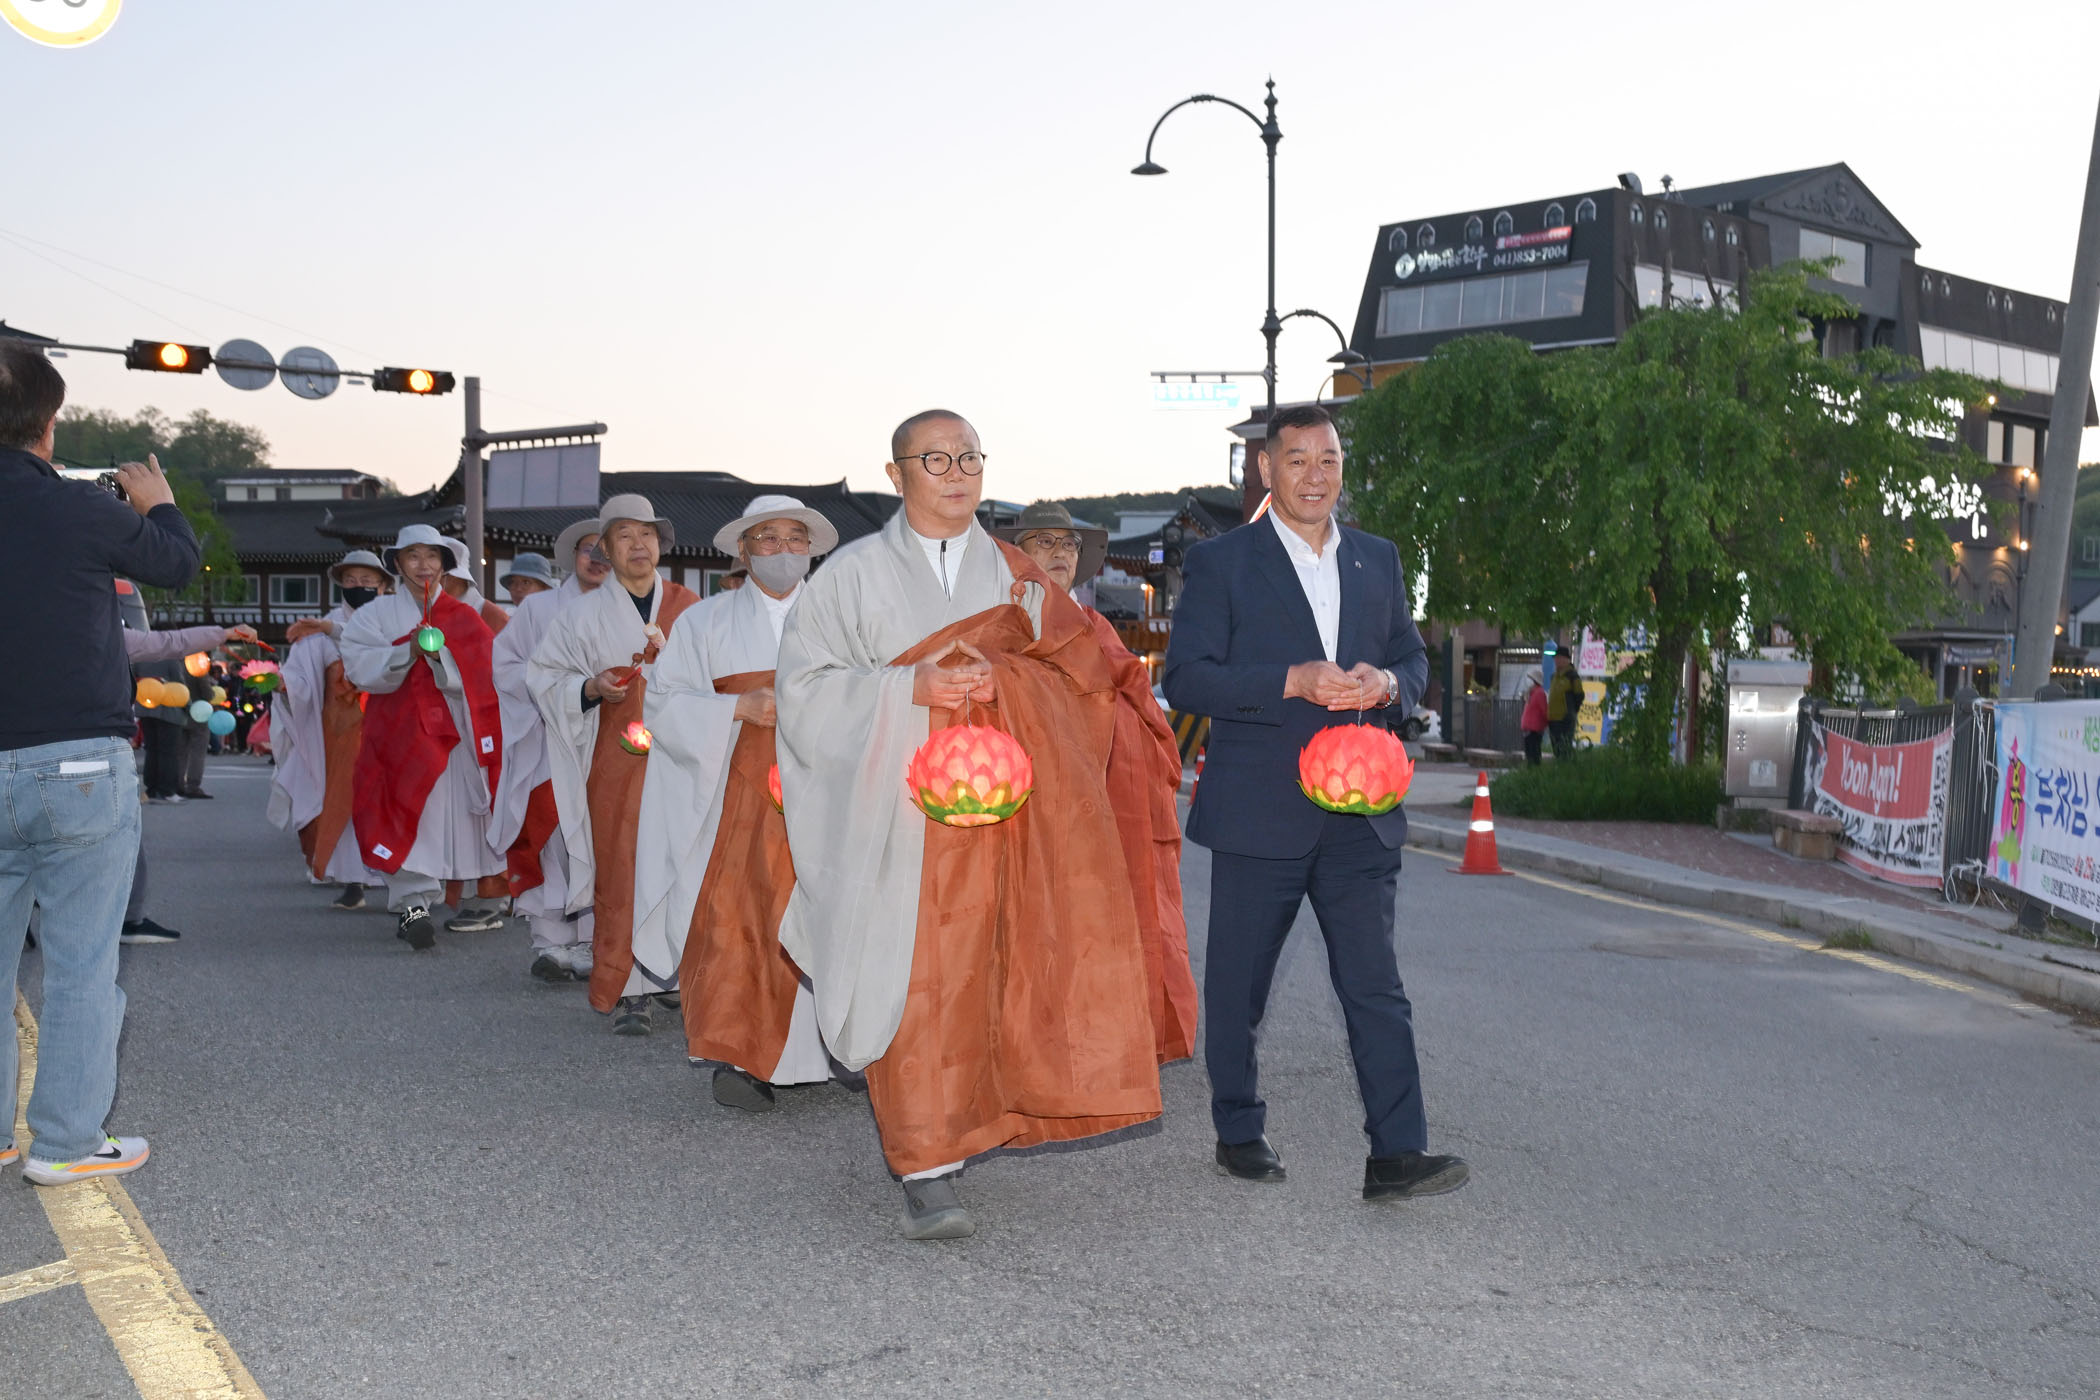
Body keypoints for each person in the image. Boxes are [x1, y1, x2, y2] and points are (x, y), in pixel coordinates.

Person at [776, 409, 1162, 1240]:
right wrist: (905, 689)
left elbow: (1082, 677)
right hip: (896, 817)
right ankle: (925, 1162)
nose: (956, 474)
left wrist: (1010, 679)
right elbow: (803, 693)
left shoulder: (1018, 579)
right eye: (936, 459)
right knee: (918, 977)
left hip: (1006, 813)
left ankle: (978, 1121)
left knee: (994, 974)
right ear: (896, 474)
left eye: (969, 458)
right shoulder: (847, 578)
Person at [1162, 401, 1468, 1204]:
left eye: (1328, 459)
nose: (1314, 475)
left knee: (1375, 986)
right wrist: (1289, 681)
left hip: (1360, 811)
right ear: (1267, 468)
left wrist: (1389, 683)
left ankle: (1397, 1153)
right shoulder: (1224, 563)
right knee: (1240, 987)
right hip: (1259, 809)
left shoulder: (1378, 559)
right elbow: (1186, 678)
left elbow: (1413, 659)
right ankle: (1238, 1128)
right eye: (1297, 460)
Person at [0, 337, 199, 1185]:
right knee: (82, 965)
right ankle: (66, 1143)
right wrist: (159, 503)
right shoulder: (78, 506)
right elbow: (176, 563)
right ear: (48, 425)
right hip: (76, 759)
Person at [641, 495, 839, 1110]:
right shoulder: (704, 622)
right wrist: (737, 707)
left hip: (829, 791)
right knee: (739, 913)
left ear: (811, 549)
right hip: (736, 793)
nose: (783, 549)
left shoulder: (844, 615)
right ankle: (742, 1055)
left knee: (835, 910)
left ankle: (840, 1049)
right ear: (744, 551)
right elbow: (662, 702)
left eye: (795, 537)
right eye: (767, 538)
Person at [996, 501, 1197, 1063]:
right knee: (1032, 922)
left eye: (1068, 544)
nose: (1060, 552)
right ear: (1016, 556)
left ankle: (1102, 1043)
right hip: (1028, 800)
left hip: (1105, 796)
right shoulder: (1001, 623)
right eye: (1043, 542)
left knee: (1103, 921)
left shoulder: (1097, 625)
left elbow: (1138, 701)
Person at [527, 495, 701, 1032]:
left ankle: (674, 974)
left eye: (646, 534)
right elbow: (543, 677)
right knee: (623, 867)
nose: (638, 545)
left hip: (683, 757)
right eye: (624, 535)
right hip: (614, 760)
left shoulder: (692, 607)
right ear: (605, 548)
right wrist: (590, 687)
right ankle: (630, 988)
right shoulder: (579, 616)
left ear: (660, 543)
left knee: (683, 864)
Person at [339, 524, 507, 949]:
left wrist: (442, 660)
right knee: (402, 812)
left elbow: (487, 674)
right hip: (398, 734)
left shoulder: (464, 616)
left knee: (443, 819)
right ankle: (412, 906)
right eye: (412, 556)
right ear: (397, 564)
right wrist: (407, 652)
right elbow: (359, 668)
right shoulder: (373, 616)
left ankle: (467, 896)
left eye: (432, 556)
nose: (423, 565)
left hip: (454, 737)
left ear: (445, 564)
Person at [487, 548, 595, 983]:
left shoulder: (631, 609)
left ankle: (593, 940)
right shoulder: (537, 609)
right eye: (589, 549)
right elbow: (505, 665)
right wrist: (549, 686)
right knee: (550, 837)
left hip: (608, 740)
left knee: (599, 841)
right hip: (548, 736)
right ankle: (550, 939)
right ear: (573, 556)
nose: (598, 557)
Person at [120, 620, 260, 944]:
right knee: (171, 756)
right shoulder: (149, 647)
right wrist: (223, 634)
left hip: (140, 711)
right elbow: (171, 644)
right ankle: (128, 918)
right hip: (166, 712)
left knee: (157, 753)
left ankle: (158, 787)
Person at [275, 551, 391, 911]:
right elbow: (301, 676)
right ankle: (353, 879)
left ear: (383, 586)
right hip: (340, 728)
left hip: (387, 724)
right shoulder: (321, 627)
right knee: (343, 799)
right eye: (351, 580)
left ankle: (396, 874)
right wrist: (282, 683)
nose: (359, 586)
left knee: (387, 799)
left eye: (367, 581)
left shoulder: (394, 620)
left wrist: (331, 632)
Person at [1548, 657, 1583, 759]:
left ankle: (1565, 765)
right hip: (1553, 718)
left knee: (1564, 745)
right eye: (1555, 659)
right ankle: (1559, 765)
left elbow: (1579, 695)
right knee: (1556, 745)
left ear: (1566, 660)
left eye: (1558, 658)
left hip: (1565, 717)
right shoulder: (1554, 676)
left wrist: (1572, 710)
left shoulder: (1572, 676)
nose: (1556, 661)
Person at [1519, 666, 1548, 767]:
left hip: (1530, 727)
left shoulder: (1534, 693)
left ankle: (1532, 771)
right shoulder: (1537, 693)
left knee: (1531, 753)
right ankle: (1534, 771)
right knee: (1534, 752)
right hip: (1534, 727)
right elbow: (1544, 711)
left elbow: (1541, 710)